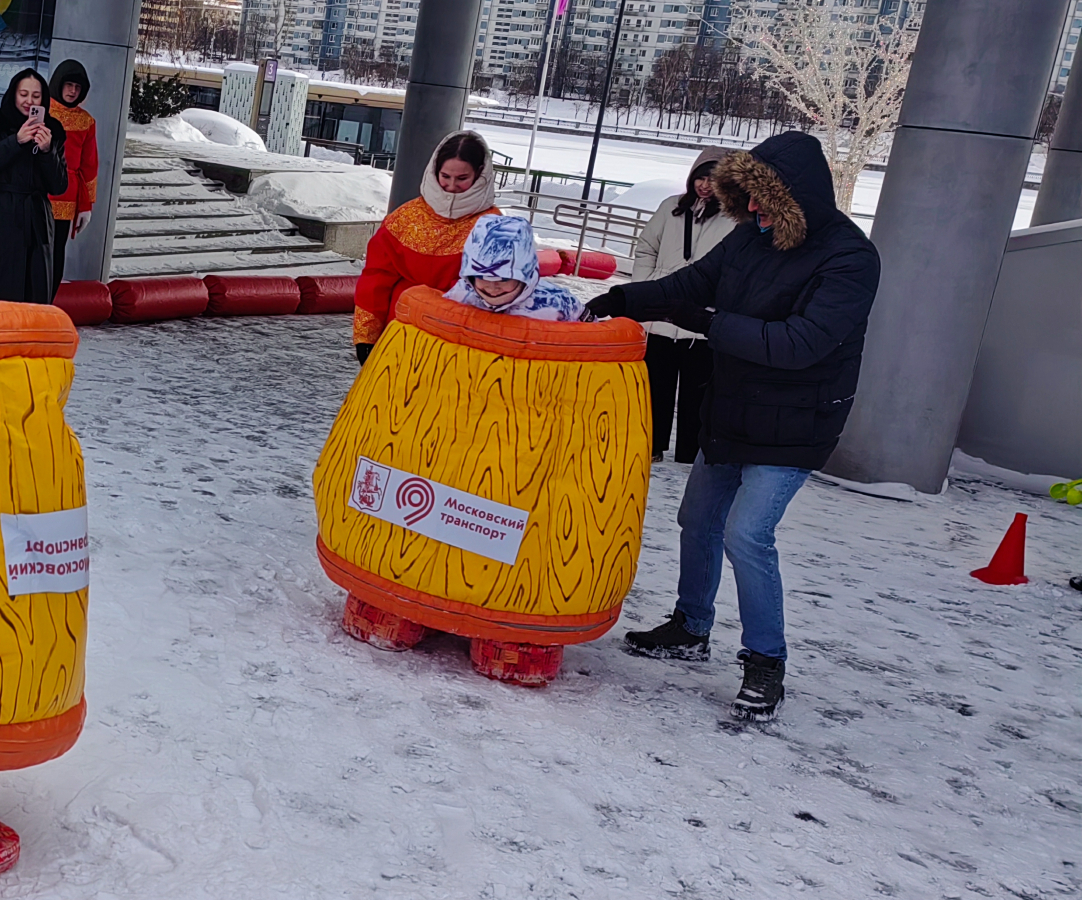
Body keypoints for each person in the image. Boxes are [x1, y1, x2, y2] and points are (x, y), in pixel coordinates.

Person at [586, 131, 881, 721]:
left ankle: (765, 662)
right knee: (697, 519)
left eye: (761, 198)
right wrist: (620, 299)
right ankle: (691, 626)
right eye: (745, 196)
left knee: (747, 534)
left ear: (792, 197)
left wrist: (706, 323)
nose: (751, 209)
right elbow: (687, 286)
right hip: (733, 407)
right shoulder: (750, 236)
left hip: (797, 421)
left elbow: (800, 344)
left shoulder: (850, 258)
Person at [352, 130, 500, 362]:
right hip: (398, 333)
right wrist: (366, 335)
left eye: (462, 178)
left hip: (455, 342)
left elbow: (494, 289)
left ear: (480, 174)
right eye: (445, 176)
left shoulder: (493, 226)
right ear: (434, 171)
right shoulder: (405, 217)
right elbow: (376, 278)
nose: (451, 186)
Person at [634, 147, 731, 463]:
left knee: (697, 390)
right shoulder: (671, 207)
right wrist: (646, 287)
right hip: (661, 311)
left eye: (713, 179)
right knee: (655, 384)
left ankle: (691, 452)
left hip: (702, 318)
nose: (705, 185)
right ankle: (651, 444)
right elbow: (647, 247)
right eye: (701, 177)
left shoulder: (734, 218)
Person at [0, 68, 69, 304]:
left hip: (36, 219)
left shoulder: (53, 130)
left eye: (36, 96)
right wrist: (16, 141)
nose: (29, 101)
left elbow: (59, 185)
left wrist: (47, 152)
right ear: (13, 94)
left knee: (34, 289)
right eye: (23, 94)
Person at [445, 214, 589, 322]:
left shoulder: (558, 302)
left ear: (524, 274)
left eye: (504, 279)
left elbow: (588, 337)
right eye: (482, 277)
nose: (492, 286)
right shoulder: (461, 293)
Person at [46, 59, 98, 300]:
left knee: (56, 253)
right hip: (39, 192)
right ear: (59, 83)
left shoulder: (86, 122)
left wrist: (86, 206)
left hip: (68, 197)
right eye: (68, 85)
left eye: (77, 87)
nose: (72, 91)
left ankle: (48, 301)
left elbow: (89, 165)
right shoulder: (41, 111)